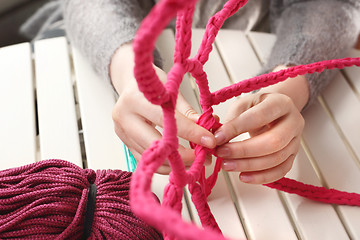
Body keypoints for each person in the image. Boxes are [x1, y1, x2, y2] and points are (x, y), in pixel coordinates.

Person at [22, 0, 360, 184]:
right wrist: (130, 71)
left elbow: (333, 6)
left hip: (266, 44)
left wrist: (286, 82)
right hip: (102, 42)